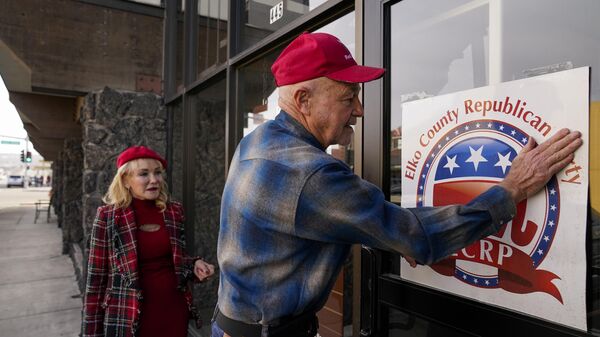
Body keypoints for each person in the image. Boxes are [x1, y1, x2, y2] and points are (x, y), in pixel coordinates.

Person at [211, 32, 583, 337]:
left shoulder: (259, 143)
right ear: (304, 99)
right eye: (348, 97)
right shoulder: (311, 174)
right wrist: (512, 189)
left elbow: (305, 218)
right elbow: (418, 237)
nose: (359, 109)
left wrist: (380, 226)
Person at [82, 145, 215, 337]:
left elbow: (177, 261)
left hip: (173, 310)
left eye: (158, 173)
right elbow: (95, 280)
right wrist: (91, 333)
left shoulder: (173, 212)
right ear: (125, 180)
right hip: (128, 315)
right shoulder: (108, 217)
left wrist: (195, 265)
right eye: (144, 174)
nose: (154, 180)